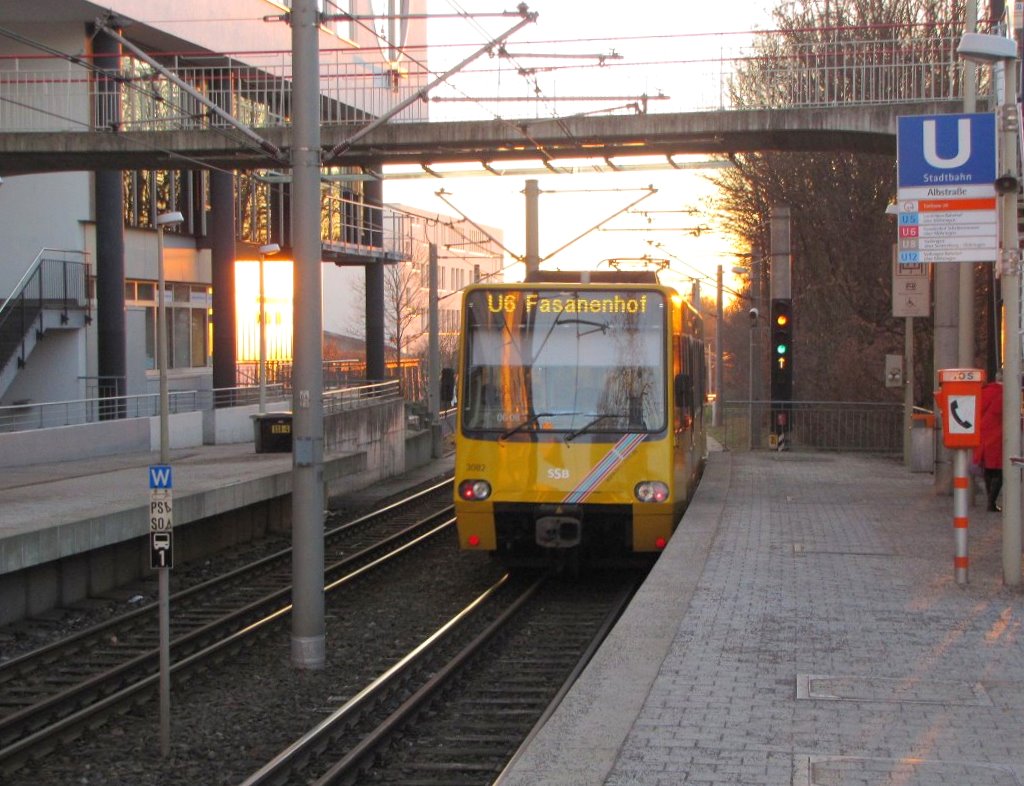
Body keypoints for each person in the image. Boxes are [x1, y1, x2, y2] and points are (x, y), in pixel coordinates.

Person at [973, 374, 1003, 512]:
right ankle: (991, 502)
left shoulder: (985, 391)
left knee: (988, 468)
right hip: (998, 435)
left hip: (983, 433)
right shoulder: (1003, 394)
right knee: (999, 470)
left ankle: (990, 500)